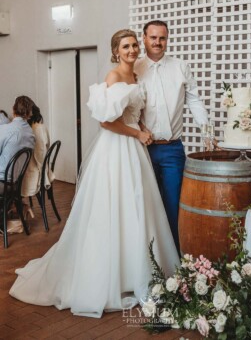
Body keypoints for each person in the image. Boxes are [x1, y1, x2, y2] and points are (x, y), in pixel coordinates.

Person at [9, 29, 179, 318]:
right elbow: (106, 123)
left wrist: (143, 129)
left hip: (135, 151)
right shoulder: (112, 77)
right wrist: (136, 134)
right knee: (112, 207)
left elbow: (134, 113)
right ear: (116, 51)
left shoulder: (137, 77)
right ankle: (108, 275)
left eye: (134, 45)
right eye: (126, 46)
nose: (132, 50)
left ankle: (135, 269)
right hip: (115, 150)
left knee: (137, 206)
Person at [135, 20, 209, 252]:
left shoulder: (180, 66)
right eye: (153, 37)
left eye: (162, 38)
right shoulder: (134, 68)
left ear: (167, 39)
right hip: (141, 149)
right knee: (144, 205)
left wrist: (206, 131)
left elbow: (194, 100)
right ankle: (148, 256)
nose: (158, 42)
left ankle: (175, 259)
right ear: (144, 38)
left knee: (173, 205)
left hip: (172, 150)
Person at [0, 96, 35, 195]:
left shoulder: (6, 129)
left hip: (2, 183)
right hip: (16, 183)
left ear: (13, 110)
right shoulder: (31, 134)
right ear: (29, 114)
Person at [22, 104, 52, 197]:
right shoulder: (41, 127)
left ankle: (19, 205)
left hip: (36, 168)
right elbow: (46, 146)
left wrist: (43, 171)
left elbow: (40, 153)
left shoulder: (36, 129)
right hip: (41, 164)